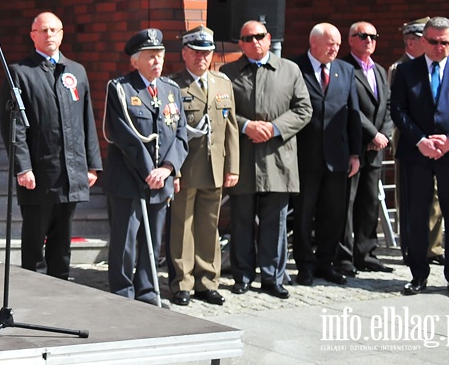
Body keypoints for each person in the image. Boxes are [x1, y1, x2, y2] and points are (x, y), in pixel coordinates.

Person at [0, 12, 102, 279]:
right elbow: (14, 126)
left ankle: (61, 291)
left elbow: (87, 120)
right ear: (32, 35)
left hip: (71, 172)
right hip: (39, 174)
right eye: (43, 30)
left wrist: (92, 165)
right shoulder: (20, 73)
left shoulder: (76, 71)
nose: (49, 35)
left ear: (62, 33)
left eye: (54, 30)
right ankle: (32, 294)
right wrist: (23, 167)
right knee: (35, 243)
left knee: (62, 242)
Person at [221, 20, 312, 300]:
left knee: (276, 222)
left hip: (277, 157)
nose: (254, 42)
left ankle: (272, 278)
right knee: (242, 220)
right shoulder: (228, 73)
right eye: (248, 38)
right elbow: (221, 110)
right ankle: (243, 275)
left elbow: (303, 109)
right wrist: (247, 125)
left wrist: (273, 128)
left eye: (259, 36)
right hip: (244, 158)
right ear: (240, 43)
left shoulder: (290, 70)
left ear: (269, 38)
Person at [390, 16, 449, 299]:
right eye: (433, 42)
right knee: (417, 215)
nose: (438, 47)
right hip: (417, 154)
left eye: (444, 42)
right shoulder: (406, 71)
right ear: (422, 41)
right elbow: (398, 110)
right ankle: (418, 276)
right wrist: (420, 141)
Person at [103, 28, 188, 305]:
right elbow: (123, 135)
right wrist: (148, 170)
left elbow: (181, 135)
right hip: (129, 178)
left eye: (160, 56)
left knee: (153, 240)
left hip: (159, 179)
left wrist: (167, 168)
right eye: (150, 57)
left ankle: (148, 291)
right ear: (134, 61)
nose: (157, 62)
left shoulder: (171, 90)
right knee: (125, 241)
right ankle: (122, 294)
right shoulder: (120, 88)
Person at [166, 26, 239, 306]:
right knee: (182, 227)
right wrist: (174, 170)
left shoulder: (222, 83)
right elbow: (170, 132)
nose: (202, 59)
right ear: (184, 53)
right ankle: (182, 283)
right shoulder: (174, 85)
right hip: (186, 169)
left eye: (206, 53)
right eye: (196, 53)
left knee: (210, 226)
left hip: (215, 167)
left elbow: (230, 127)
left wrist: (232, 167)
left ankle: (207, 282)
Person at [290, 23, 361, 286]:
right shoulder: (295, 67)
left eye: (338, 44)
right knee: (303, 214)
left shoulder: (345, 70)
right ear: (314, 43)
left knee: (333, 214)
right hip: (304, 156)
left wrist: (355, 152)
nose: (335, 48)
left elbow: (352, 113)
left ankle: (326, 263)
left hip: (337, 156)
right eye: (330, 43)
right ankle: (305, 265)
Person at [338, 21, 394, 274]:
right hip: (352, 146)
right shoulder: (344, 68)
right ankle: (345, 256)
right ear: (350, 39)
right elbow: (349, 106)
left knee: (369, 201)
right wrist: (372, 132)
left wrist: (384, 134)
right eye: (363, 36)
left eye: (373, 36)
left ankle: (367, 253)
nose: (369, 40)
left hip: (375, 148)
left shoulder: (380, 70)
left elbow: (389, 106)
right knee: (346, 202)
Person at [389, 17, 445, 267]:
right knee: (410, 197)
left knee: (435, 196)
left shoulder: (441, 67)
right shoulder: (398, 69)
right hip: (410, 141)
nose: (433, 46)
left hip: (437, 142)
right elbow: (398, 109)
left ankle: (432, 248)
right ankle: (410, 246)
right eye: (427, 40)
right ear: (412, 42)